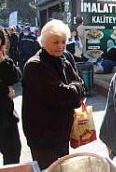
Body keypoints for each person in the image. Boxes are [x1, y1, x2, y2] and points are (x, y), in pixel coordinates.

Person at [22, 19, 85, 169]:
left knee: (63, 167)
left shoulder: (64, 60)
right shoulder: (35, 66)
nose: (61, 46)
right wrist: (75, 91)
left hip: (62, 132)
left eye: (63, 42)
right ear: (43, 42)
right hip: (43, 136)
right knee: (49, 169)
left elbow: (81, 87)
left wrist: (74, 90)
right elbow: (61, 95)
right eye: (56, 42)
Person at [0, 27, 22, 165]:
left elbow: (15, 77)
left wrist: (2, 60)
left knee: (13, 152)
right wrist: (4, 89)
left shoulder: (5, 61)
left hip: (6, 118)